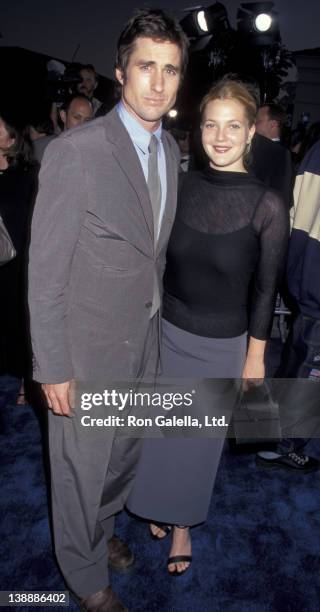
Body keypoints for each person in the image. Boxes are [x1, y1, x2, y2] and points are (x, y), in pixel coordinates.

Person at [28, 8, 188, 612]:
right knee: (79, 469)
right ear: (121, 72)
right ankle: (84, 574)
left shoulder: (171, 150)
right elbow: (44, 270)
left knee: (122, 455)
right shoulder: (77, 151)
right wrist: (52, 365)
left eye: (170, 70)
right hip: (85, 348)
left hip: (143, 342)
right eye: (146, 66)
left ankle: (101, 531)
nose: (158, 81)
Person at [127, 79, 289, 575]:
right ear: (198, 131)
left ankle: (181, 525)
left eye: (233, 126)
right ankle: (155, 500)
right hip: (166, 334)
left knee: (195, 445)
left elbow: (265, 290)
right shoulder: (182, 186)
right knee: (159, 433)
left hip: (221, 345)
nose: (220, 136)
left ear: (250, 135)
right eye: (211, 124)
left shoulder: (268, 206)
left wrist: (255, 357)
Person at [257, 139, 320, 472]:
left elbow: (296, 210)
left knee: (296, 359)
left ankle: (266, 434)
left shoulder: (315, 150)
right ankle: (282, 445)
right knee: (308, 370)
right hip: (314, 278)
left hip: (304, 273)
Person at [0, 109, 38, 399]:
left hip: (19, 265)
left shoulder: (27, 173)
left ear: (11, 136)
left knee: (21, 325)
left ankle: (27, 380)